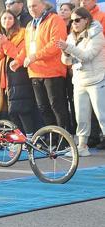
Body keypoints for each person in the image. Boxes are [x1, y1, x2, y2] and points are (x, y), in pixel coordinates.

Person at [57, 7, 105, 157]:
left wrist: (68, 48)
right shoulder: (71, 36)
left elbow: (87, 56)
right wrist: (65, 52)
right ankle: (82, 146)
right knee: (81, 117)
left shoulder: (97, 34)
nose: (74, 23)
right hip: (79, 81)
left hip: (97, 79)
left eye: (77, 20)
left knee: (102, 116)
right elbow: (66, 61)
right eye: (72, 20)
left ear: (86, 20)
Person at [24, 0, 71, 133]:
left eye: (34, 5)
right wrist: (18, 60)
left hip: (52, 72)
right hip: (34, 72)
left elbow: (55, 44)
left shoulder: (55, 19)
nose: (31, 9)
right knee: (43, 108)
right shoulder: (29, 25)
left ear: (44, 5)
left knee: (57, 107)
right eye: (29, 6)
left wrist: (35, 56)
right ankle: (53, 139)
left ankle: (65, 140)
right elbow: (27, 48)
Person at [0, 10, 41, 136]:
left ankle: (30, 136)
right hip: (7, 77)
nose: (6, 21)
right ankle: (20, 137)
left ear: (15, 20)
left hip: (20, 75)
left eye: (10, 18)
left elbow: (18, 55)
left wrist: (5, 44)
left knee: (22, 109)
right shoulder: (2, 35)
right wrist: (0, 45)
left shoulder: (22, 33)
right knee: (12, 111)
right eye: (4, 19)